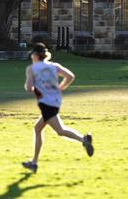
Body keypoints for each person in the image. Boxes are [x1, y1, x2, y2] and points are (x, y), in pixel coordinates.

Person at [22, 43, 93, 173]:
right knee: (38, 129)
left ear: (36, 55)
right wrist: (61, 87)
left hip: (45, 103)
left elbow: (28, 88)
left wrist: (33, 87)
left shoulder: (32, 69)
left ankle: (84, 140)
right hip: (55, 101)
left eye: (32, 54)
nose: (31, 56)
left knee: (59, 131)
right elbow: (70, 76)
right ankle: (34, 162)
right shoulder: (54, 66)